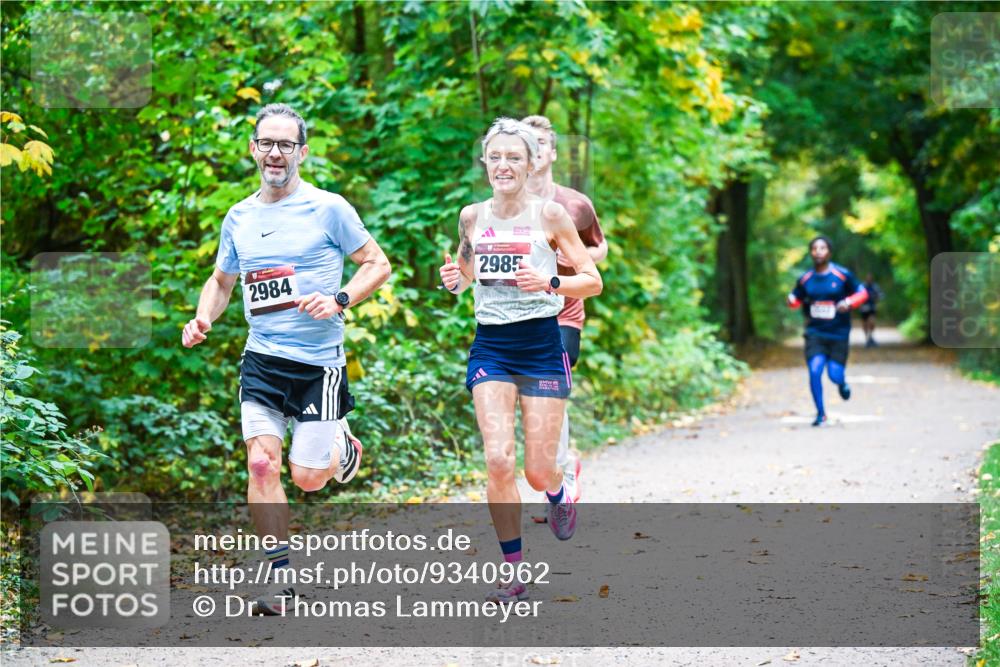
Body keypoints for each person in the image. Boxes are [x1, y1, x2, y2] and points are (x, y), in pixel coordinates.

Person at [181, 103, 391, 614]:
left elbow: (377, 264)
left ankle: (340, 446)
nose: (276, 153)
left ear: (302, 151)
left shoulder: (329, 208)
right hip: (262, 360)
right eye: (267, 143)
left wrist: (340, 299)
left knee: (308, 478)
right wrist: (203, 317)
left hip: (319, 364)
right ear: (253, 148)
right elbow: (222, 280)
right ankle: (278, 579)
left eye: (286, 145)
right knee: (259, 464)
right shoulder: (240, 217)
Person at [439, 118, 602, 602]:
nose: (504, 165)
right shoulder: (472, 216)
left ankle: (559, 489)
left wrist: (550, 283)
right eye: (496, 156)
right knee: (497, 459)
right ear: (485, 162)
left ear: (531, 164)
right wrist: (455, 278)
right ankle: (513, 570)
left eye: (515, 157)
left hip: (541, 344)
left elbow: (591, 280)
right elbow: (467, 273)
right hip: (491, 344)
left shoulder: (551, 216)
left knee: (537, 471)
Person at [521, 114, 607, 505]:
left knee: (550, 387)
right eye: (527, 143)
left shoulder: (575, 204)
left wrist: (567, 255)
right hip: (517, 314)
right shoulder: (504, 203)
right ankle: (561, 466)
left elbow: (599, 249)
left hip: (564, 311)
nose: (535, 150)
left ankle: (555, 479)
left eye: (541, 143)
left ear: (553, 152)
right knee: (529, 393)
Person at [787, 236, 868, 427]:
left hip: (839, 333)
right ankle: (821, 414)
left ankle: (841, 383)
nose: (818, 252)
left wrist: (847, 303)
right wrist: (791, 300)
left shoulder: (842, 274)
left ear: (829, 252)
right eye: (814, 248)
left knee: (834, 374)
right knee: (814, 370)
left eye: (822, 248)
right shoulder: (805, 279)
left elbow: (862, 293)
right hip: (815, 333)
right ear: (811, 252)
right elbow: (795, 298)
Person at [859, 273, 884, 347]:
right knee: (864, 323)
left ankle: (870, 336)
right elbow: (857, 295)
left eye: (870, 278)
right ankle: (867, 338)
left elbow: (881, 295)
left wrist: (877, 298)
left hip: (872, 307)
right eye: (868, 278)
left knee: (872, 322)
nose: (869, 279)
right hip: (863, 308)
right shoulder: (862, 286)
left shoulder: (875, 287)